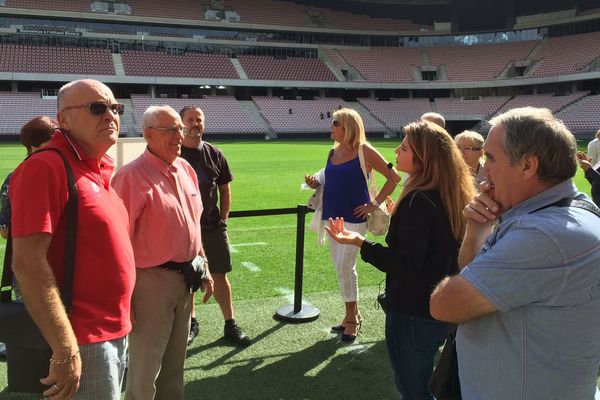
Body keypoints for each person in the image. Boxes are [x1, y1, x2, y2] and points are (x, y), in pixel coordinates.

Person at [430, 107, 600, 400]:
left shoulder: (544, 236)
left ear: (527, 166)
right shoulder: (555, 211)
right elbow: (474, 273)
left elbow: (445, 305)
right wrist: (476, 229)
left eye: (491, 157)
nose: (484, 168)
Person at [326, 120, 475, 399]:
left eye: (404, 148)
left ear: (423, 158)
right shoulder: (451, 194)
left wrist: (359, 241)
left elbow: (405, 264)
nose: (396, 151)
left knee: (413, 388)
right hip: (442, 307)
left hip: (413, 311)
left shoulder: (417, 200)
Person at [9, 79, 135, 399]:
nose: (110, 115)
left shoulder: (101, 168)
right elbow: (27, 264)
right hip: (82, 339)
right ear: (63, 119)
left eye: (114, 108)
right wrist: (65, 349)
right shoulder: (46, 167)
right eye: (97, 108)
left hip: (116, 329)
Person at [111, 105, 214, 400]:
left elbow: (192, 226)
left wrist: (203, 266)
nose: (178, 135)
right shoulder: (130, 177)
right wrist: (124, 295)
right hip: (150, 284)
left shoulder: (185, 169)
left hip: (186, 280)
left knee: (174, 368)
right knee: (145, 370)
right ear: (148, 134)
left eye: (179, 129)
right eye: (170, 130)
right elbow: (118, 242)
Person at [305, 108, 400, 343]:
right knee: (341, 268)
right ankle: (352, 314)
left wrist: (373, 204)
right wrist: (314, 181)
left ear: (347, 126)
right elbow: (330, 178)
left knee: (345, 267)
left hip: (353, 219)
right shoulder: (332, 152)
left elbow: (394, 178)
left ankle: (352, 320)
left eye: (335, 123)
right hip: (332, 217)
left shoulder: (363, 150)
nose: (331, 127)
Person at [179, 105, 251, 347]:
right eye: (190, 120)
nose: (195, 124)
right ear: (181, 124)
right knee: (187, 278)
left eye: (199, 120)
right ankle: (191, 323)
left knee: (220, 274)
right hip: (184, 229)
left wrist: (223, 219)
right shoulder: (173, 153)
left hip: (212, 227)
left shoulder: (214, 153)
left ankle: (230, 324)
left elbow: (224, 188)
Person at [0, 116, 57, 360]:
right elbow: (5, 230)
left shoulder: (15, 177)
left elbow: (4, 229)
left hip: (29, 267)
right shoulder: (22, 177)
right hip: (39, 267)